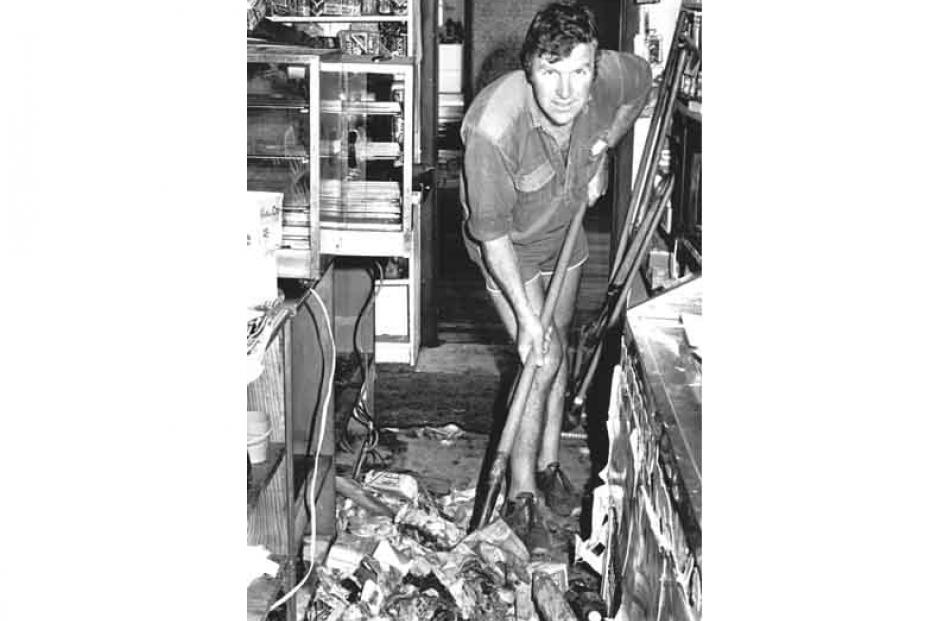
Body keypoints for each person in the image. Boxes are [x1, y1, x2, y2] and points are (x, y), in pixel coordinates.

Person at [459, 1, 652, 550]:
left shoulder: (612, 74)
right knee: (538, 358)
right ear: (529, 68)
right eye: (551, 71)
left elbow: (641, 85)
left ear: (594, 66)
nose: (567, 90)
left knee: (560, 342)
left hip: (563, 228)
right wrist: (525, 317)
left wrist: (605, 147)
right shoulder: (493, 129)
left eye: (579, 71)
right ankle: (520, 496)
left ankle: (547, 466)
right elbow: (492, 236)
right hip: (511, 251)